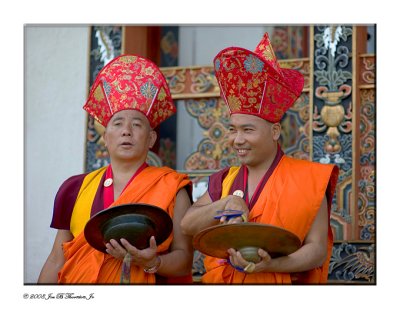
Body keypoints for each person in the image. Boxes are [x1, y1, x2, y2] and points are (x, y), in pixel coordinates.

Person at [180, 33, 339, 284]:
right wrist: (226, 202)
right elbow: (187, 224)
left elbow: (317, 249)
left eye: (248, 130)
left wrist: (271, 265)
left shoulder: (308, 178)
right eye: (233, 130)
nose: (237, 140)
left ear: (274, 131)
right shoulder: (225, 180)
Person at [38, 54, 193, 284]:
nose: (126, 131)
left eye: (137, 124)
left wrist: (151, 262)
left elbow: (184, 259)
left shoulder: (172, 188)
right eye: (118, 123)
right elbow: (56, 260)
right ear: (106, 137)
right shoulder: (75, 188)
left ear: (151, 139)